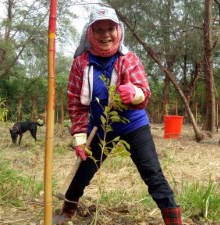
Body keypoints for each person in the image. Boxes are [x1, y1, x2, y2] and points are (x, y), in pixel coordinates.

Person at [53, 6, 182, 225]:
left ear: (118, 31)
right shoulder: (80, 63)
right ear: (90, 34)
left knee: (152, 172)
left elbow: (145, 91)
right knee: (82, 171)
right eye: (99, 30)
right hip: (99, 127)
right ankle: (66, 212)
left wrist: (136, 93)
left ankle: (173, 220)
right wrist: (79, 137)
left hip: (133, 125)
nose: (105, 35)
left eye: (110, 29)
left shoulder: (128, 59)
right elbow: (75, 102)